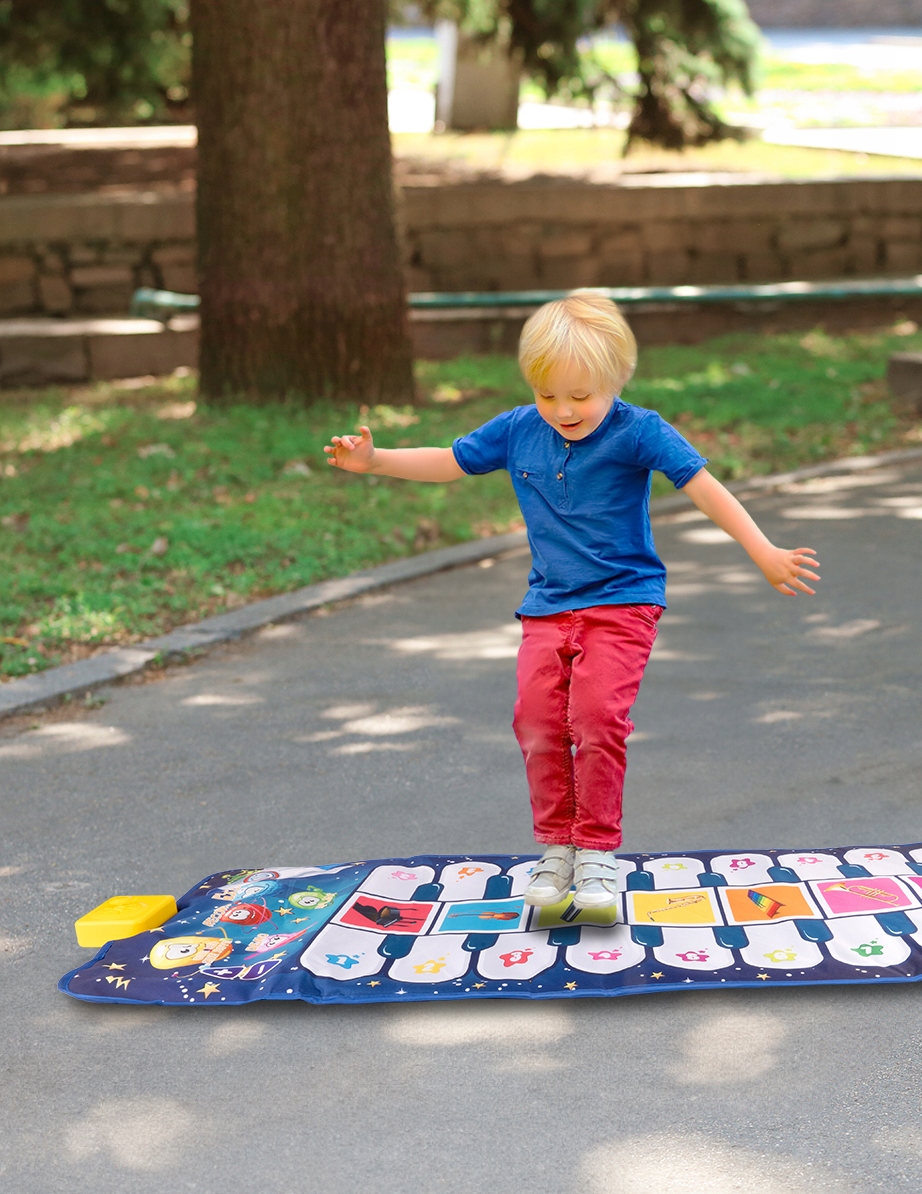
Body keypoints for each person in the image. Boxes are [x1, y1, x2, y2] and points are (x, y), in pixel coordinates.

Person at [325, 293, 819, 908]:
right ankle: (557, 848)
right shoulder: (518, 429)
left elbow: (703, 487)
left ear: (615, 380)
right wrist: (375, 462)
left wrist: (762, 549)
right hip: (548, 604)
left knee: (596, 718)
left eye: (580, 396)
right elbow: (450, 462)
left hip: (623, 601)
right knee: (535, 722)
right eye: (548, 394)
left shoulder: (640, 431)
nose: (562, 410)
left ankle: (597, 856)